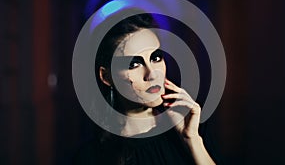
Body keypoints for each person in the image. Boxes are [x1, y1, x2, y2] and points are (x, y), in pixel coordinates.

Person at [73, 11, 217, 165]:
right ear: (106, 77)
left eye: (156, 58)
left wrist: (193, 141)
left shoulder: (192, 128)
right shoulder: (91, 157)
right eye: (134, 64)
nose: (152, 74)